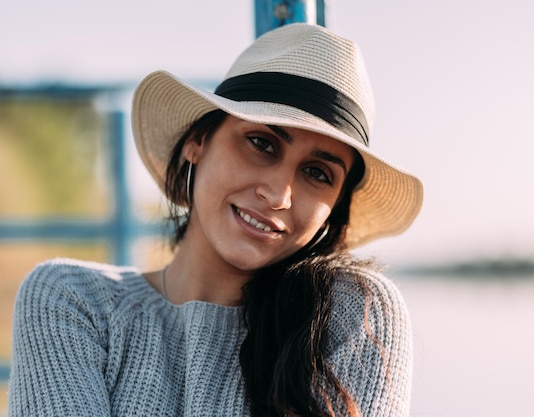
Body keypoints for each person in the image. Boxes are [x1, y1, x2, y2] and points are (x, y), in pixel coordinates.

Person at [8, 23, 424, 417]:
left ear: (334, 208)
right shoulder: (73, 302)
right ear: (197, 142)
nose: (278, 195)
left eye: (318, 173)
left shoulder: (352, 316)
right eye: (261, 143)